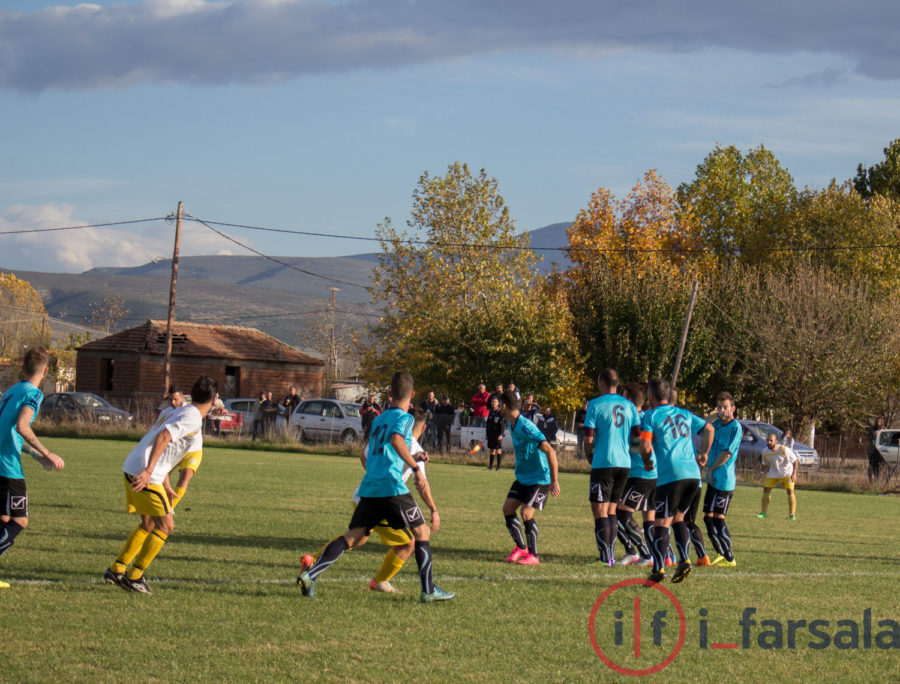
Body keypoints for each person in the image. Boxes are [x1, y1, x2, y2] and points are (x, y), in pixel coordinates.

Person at [297, 372, 454, 602]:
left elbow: (369, 454)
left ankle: (311, 574)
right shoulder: (406, 418)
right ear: (411, 396)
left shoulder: (379, 419)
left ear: (390, 394)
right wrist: (416, 467)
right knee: (422, 532)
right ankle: (428, 590)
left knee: (353, 537)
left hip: (370, 487)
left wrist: (407, 459)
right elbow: (397, 441)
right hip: (392, 487)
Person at [104, 376, 217, 594]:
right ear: (214, 399)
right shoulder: (192, 418)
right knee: (166, 526)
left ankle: (117, 569)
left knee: (148, 524)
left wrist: (164, 477)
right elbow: (165, 436)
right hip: (145, 474)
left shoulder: (177, 411)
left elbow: (164, 442)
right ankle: (135, 575)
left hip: (134, 467)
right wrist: (150, 472)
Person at [0, 347, 66, 589]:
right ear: (46, 371)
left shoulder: (13, 390)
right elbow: (21, 426)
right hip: (7, 467)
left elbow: (7, 431)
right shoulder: (34, 393)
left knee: (4, 517)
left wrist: (35, 455)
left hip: (2, 460)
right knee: (19, 521)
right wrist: (47, 452)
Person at [639, 377, 713, 584]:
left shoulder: (651, 416)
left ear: (651, 396)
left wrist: (647, 462)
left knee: (661, 523)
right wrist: (704, 453)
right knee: (679, 519)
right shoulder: (685, 414)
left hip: (671, 476)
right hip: (693, 476)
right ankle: (685, 560)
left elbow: (645, 446)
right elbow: (709, 428)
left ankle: (658, 569)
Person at [583, 369, 639, 567]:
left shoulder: (595, 404)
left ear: (602, 382)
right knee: (612, 510)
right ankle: (611, 555)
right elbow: (636, 437)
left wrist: (589, 454)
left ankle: (604, 557)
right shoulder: (630, 406)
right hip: (624, 463)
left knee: (599, 511)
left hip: (604, 462)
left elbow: (588, 438)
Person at [500, 389, 560, 566]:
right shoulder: (511, 423)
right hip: (523, 477)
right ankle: (521, 548)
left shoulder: (526, 426)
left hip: (540, 478)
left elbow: (550, 450)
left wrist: (554, 480)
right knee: (508, 508)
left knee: (526, 513)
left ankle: (534, 555)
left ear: (504, 405)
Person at [614, 383, 654, 568]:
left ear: (629, 401)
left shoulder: (636, 420)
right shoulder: (645, 417)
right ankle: (632, 552)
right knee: (617, 513)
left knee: (623, 513)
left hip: (642, 476)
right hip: (639, 475)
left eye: (623, 398)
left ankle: (646, 554)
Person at [703, 392, 743, 567]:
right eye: (719, 407)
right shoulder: (717, 423)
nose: (722, 410)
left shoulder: (736, 427)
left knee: (719, 518)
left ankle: (730, 557)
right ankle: (720, 552)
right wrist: (716, 414)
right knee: (707, 518)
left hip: (724, 480)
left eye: (725, 407)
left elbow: (727, 453)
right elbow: (702, 421)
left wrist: (711, 469)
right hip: (712, 479)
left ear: (733, 409)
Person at [758, 432, 798, 519]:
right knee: (766, 489)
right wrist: (761, 473)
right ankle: (763, 513)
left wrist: (794, 474)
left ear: (776, 441)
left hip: (787, 473)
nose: (768, 442)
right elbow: (764, 464)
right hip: (774, 472)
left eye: (771, 441)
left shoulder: (784, 449)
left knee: (790, 491)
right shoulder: (765, 451)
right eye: (767, 440)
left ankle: (792, 515)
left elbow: (795, 460)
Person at [485, 396, 505, 471]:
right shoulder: (490, 412)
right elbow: (488, 424)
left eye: (495, 402)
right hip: (491, 433)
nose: (493, 403)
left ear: (498, 403)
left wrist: (501, 434)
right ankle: (490, 467)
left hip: (497, 434)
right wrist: (487, 434)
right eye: (492, 402)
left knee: (498, 449)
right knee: (492, 449)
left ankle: (498, 467)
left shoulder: (500, 413)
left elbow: (503, 425)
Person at [867, 417, 887, 482]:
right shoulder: (872, 429)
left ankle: (880, 479)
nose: (879, 423)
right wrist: (874, 435)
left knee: (881, 465)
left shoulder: (885, 429)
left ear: (882, 422)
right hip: (873, 450)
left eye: (880, 421)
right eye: (878, 421)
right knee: (872, 465)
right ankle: (871, 479)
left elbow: (887, 439)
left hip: (881, 450)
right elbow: (868, 437)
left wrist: (881, 435)